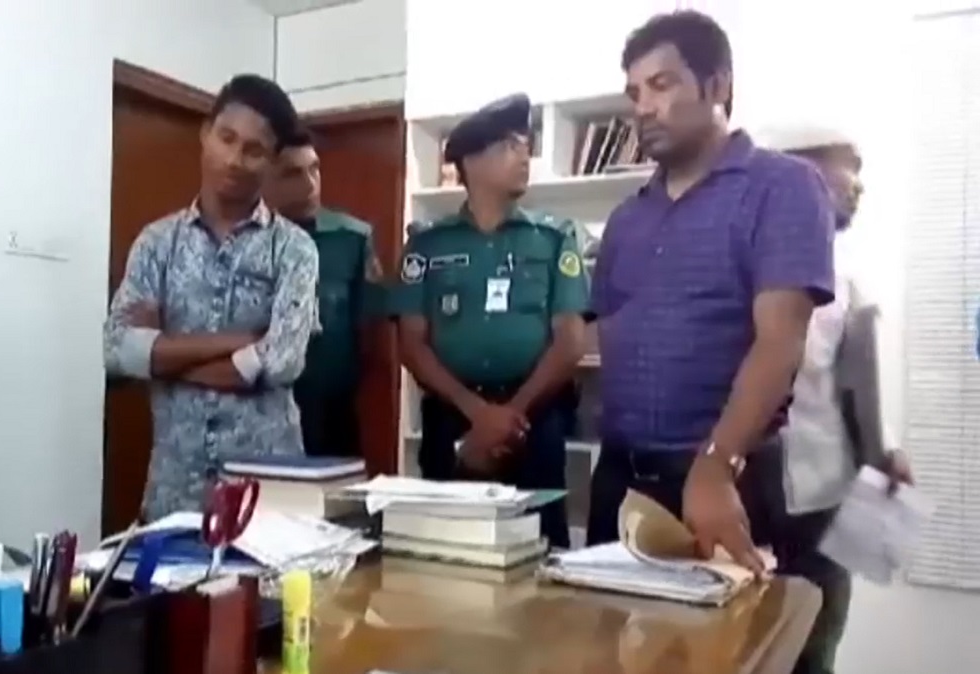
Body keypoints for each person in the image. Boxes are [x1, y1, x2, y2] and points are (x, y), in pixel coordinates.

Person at [585, 10, 836, 579]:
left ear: (718, 85)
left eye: (661, 84)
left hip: (721, 483)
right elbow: (611, 333)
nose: (643, 107)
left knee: (730, 637)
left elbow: (780, 341)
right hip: (621, 484)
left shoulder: (783, 187)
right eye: (634, 93)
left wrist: (717, 462)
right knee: (605, 635)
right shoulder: (626, 219)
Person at [103, 74, 319, 519]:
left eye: (254, 150)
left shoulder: (294, 250)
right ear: (205, 134)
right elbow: (117, 348)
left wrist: (162, 357)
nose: (234, 159)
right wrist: (241, 342)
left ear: (272, 161)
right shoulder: (156, 244)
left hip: (266, 494)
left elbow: (282, 360)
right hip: (174, 489)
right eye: (226, 138)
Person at [390, 93, 589, 549]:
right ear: (470, 162)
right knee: (445, 548)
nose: (524, 156)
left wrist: (509, 416)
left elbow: (570, 342)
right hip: (453, 418)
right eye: (509, 146)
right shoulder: (427, 246)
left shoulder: (554, 238)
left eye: (525, 145)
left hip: (534, 420)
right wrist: (477, 413)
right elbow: (412, 345)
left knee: (542, 549)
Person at [763, 124, 914, 674]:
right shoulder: (742, 263)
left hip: (822, 501)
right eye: (851, 167)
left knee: (815, 650)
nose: (859, 186)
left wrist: (885, 450)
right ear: (804, 172)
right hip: (744, 495)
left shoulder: (847, 277)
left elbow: (855, 381)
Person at [263, 127, 385, 459]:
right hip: (262, 409)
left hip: (332, 410)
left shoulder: (352, 238)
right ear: (265, 179)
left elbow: (370, 334)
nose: (310, 184)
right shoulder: (250, 240)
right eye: (292, 174)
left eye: (314, 169)